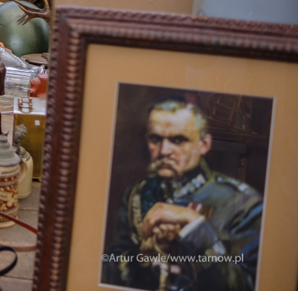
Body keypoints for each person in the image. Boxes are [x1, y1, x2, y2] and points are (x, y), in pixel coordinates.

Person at [102, 99, 262, 291]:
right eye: (155, 139)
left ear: (204, 144)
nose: (164, 151)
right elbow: (107, 273)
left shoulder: (242, 202)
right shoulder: (136, 195)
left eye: (178, 140)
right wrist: (142, 257)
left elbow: (246, 286)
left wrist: (196, 228)